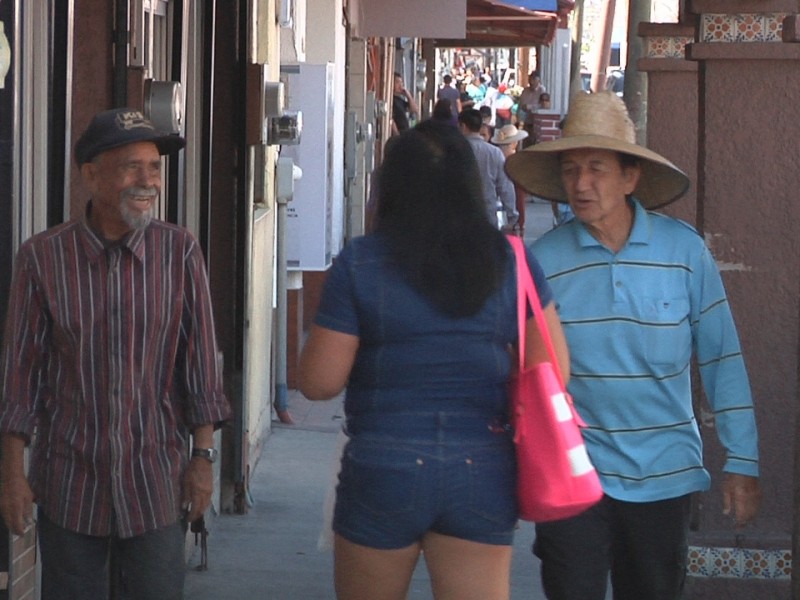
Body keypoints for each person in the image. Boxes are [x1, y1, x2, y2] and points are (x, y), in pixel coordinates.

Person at [298, 119, 570, 600]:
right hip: (482, 466)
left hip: (384, 463)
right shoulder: (511, 261)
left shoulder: (361, 262)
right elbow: (553, 372)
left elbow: (319, 383)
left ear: (392, 185)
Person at [505, 91, 761, 600]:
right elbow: (522, 371)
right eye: (571, 169)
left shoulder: (684, 252)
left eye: (597, 168)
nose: (581, 184)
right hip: (575, 470)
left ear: (630, 178)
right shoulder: (543, 262)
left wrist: (743, 460)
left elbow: (720, 356)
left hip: (665, 474)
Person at [0, 108, 231, 599]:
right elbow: (21, 376)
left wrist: (204, 459)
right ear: (91, 174)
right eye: (131, 166)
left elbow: (200, 370)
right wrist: (12, 474)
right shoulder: (42, 258)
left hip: (155, 482)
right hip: (69, 484)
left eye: (154, 167)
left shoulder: (180, 252)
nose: (147, 181)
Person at [458, 108, 518, 230]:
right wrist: (512, 216)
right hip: (487, 215)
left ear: (463, 126)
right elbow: (505, 187)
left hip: (459, 216)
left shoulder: (453, 151)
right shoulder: (494, 153)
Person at [490, 124, 529, 236]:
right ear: (514, 143)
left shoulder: (493, 157)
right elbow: (520, 197)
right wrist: (520, 222)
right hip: (510, 211)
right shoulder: (516, 163)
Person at [517, 71, 546, 146]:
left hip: (536, 122)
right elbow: (520, 105)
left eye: (534, 80)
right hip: (526, 121)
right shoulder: (525, 91)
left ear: (538, 81)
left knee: (533, 142)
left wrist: (530, 107)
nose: (532, 82)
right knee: (525, 141)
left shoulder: (542, 91)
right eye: (530, 80)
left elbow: (544, 105)